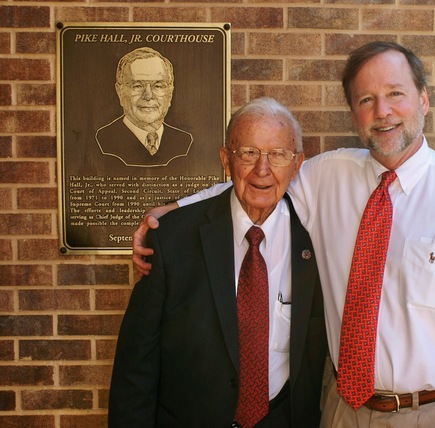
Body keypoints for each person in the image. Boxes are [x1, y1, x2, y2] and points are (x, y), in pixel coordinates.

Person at [133, 42, 435, 427]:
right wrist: (178, 212)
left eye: (395, 93)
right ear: (353, 113)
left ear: (424, 99)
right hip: (343, 411)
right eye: (366, 99)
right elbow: (260, 178)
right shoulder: (327, 176)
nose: (382, 111)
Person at [109, 97, 327, 427]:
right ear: (226, 159)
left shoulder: (314, 239)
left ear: (296, 165)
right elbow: (135, 366)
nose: (262, 170)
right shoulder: (172, 239)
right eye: (249, 153)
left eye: (278, 154)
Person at [96, 47, 193, 167]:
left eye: (158, 86)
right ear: (120, 92)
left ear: (170, 93)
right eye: (137, 86)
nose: (148, 96)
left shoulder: (185, 142)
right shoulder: (102, 141)